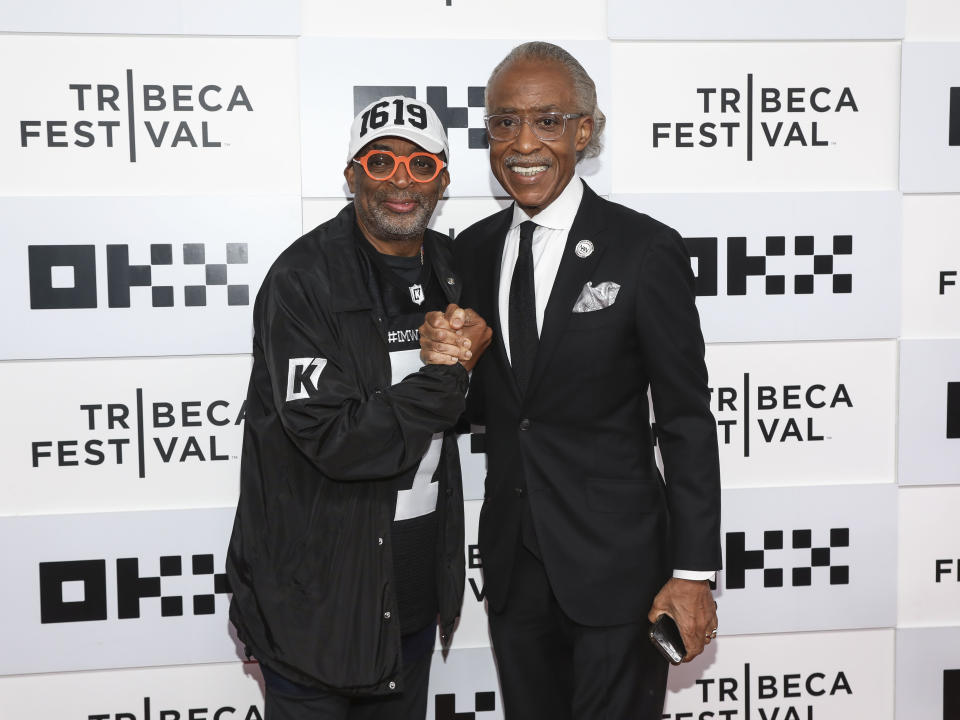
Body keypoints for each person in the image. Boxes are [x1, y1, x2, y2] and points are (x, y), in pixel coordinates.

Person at [419, 42, 721, 719]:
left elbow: (685, 419)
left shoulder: (644, 249)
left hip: (620, 571)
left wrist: (693, 573)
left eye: (547, 120)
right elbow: (488, 407)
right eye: (503, 122)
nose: (523, 142)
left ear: (585, 131)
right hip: (513, 565)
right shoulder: (468, 250)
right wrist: (445, 369)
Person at [226, 95, 491, 720]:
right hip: (316, 601)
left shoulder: (453, 267)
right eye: (380, 161)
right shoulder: (303, 280)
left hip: (413, 586)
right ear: (351, 175)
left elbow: (472, 413)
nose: (402, 180)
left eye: (421, 165)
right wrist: (449, 373)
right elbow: (337, 440)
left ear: (444, 180)